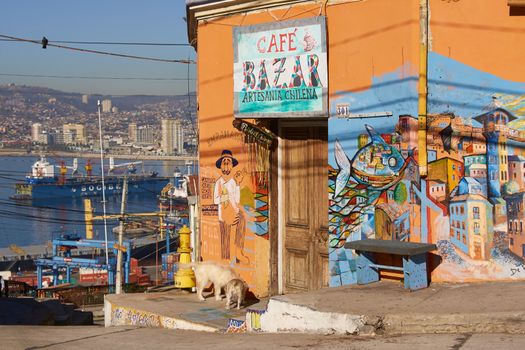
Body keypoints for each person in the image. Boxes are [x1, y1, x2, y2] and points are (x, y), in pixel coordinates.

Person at [214, 150, 248, 264]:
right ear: (221, 165)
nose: (227, 163)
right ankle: (225, 259)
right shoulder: (218, 183)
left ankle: (239, 253)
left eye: (229, 161)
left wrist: (238, 184)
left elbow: (237, 200)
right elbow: (215, 200)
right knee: (225, 238)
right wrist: (224, 198)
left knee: (242, 220)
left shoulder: (234, 181)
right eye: (224, 161)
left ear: (232, 165)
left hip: (234, 212)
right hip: (223, 216)